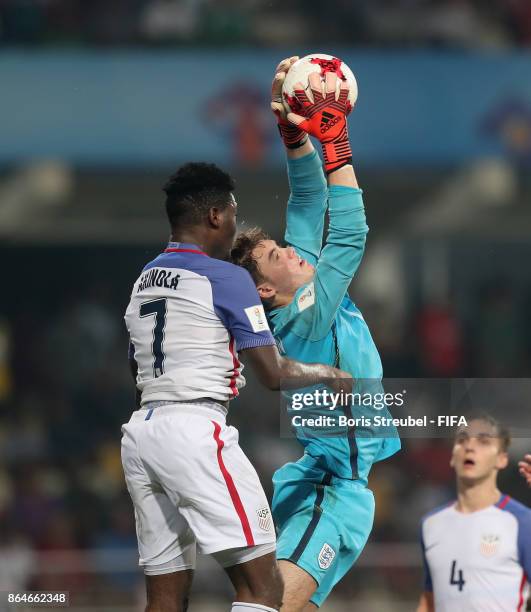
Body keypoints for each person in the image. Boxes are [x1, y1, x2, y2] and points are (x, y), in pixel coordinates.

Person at [122, 162, 352, 612]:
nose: (234, 224)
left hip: (142, 433)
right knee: (263, 587)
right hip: (195, 429)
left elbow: (138, 371)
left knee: (165, 599)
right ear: (214, 216)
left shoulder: (143, 280)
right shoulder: (225, 278)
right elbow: (273, 374)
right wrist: (327, 374)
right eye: (232, 213)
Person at [231, 58, 401, 611]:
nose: (292, 252)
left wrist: (291, 136)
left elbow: (307, 202)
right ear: (263, 290)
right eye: (278, 254)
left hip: (323, 481)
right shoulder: (306, 314)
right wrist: (335, 142)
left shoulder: (296, 290)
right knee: (270, 607)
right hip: (332, 492)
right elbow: (349, 233)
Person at [417, 415, 531, 612]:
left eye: (484, 441)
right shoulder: (431, 524)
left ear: (502, 459)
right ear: (452, 456)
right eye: (462, 440)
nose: (469, 447)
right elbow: (429, 601)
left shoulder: (522, 522)